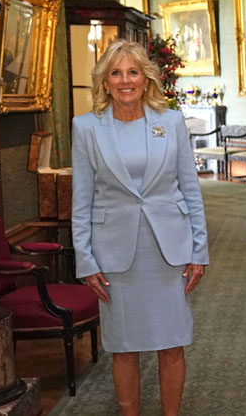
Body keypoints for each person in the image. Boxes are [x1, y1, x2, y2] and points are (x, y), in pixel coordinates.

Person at [72, 39, 209, 416]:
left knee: (172, 342)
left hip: (169, 250)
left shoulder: (172, 122)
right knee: (123, 345)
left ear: (146, 79)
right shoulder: (85, 128)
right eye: (116, 73)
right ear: (104, 82)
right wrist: (85, 260)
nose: (125, 80)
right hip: (115, 253)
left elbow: (190, 189)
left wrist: (199, 250)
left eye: (133, 71)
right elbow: (81, 199)